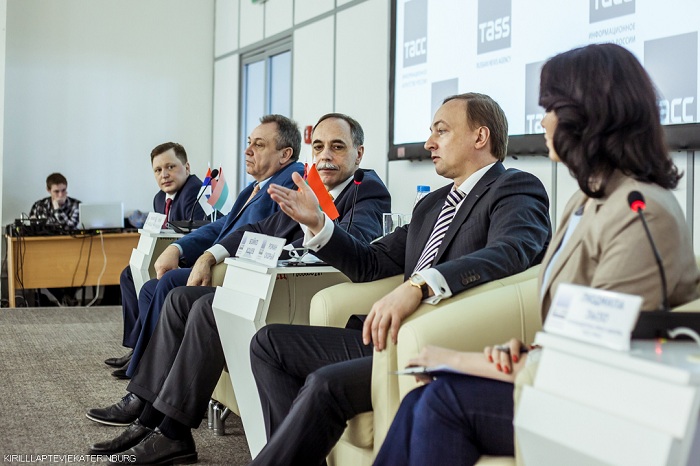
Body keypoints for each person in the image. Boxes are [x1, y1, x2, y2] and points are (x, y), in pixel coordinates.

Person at [372, 44, 700, 466]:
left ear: (589, 115)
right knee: (421, 400)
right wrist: (526, 352)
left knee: (442, 400)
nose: (542, 121)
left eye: (551, 109)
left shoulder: (640, 211)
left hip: (612, 404)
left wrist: (463, 360)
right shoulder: (587, 199)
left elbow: (601, 359)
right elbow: (581, 326)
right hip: (573, 380)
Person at [247, 93, 553, 465]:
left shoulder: (515, 188)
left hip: (438, 339)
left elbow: (510, 251)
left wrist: (420, 285)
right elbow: (370, 263)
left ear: (480, 136)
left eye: (441, 131)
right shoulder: (431, 204)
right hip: (386, 335)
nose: (429, 143)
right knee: (268, 343)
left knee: (325, 383)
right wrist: (319, 224)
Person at [86, 113, 391, 465]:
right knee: (182, 298)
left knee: (208, 307)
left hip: (300, 295)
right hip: (266, 287)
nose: (325, 156)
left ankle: (169, 431)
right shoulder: (308, 188)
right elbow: (257, 229)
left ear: (358, 153)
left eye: (337, 147)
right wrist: (210, 255)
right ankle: (153, 418)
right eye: (319, 146)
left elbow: (359, 243)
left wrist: (317, 223)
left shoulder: (367, 190)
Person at [106, 115, 306, 380]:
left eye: (258, 145)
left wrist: (209, 257)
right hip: (220, 263)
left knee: (169, 283)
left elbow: (259, 232)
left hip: (241, 273)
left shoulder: (291, 181)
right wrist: (178, 248)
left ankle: (148, 375)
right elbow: (221, 225)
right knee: (149, 289)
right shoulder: (255, 187)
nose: (247, 150)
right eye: (249, 142)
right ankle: (143, 360)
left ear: (285, 154)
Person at [107, 142, 206, 374]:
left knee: (148, 282)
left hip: (190, 261)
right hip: (166, 257)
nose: (164, 175)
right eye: (158, 170)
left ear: (187, 167)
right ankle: (136, 347)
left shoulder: (197, 193)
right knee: (129, 274)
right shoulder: (159, 198)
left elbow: (200, 233)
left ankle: (143, 353)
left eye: (171, 167)